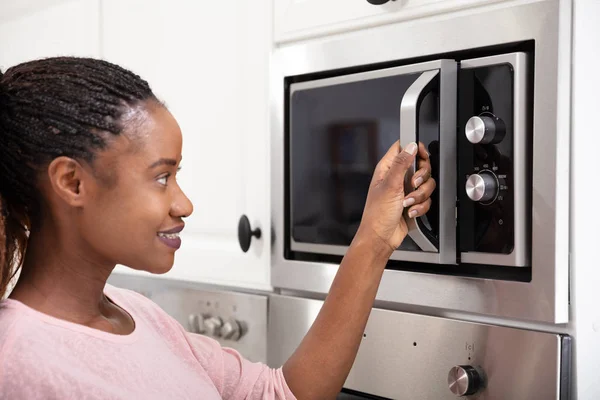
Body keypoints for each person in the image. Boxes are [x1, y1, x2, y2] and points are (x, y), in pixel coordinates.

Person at [0, 57, 435, 399]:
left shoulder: (138, 315)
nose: (184, 204)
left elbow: (283, 393)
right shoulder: (20, 365)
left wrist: (374, 238)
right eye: (160, 177)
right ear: (72, 183)